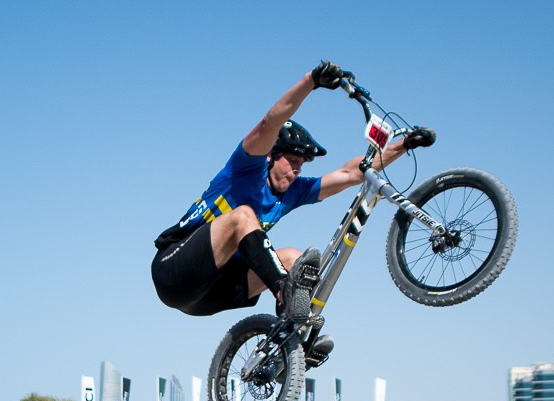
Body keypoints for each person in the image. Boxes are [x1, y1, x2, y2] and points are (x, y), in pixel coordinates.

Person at [149, 62, 422, 367]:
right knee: (243, 217)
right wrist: (311, 81)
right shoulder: (244, 169)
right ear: (270, 156)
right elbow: (270, 122)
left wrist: (404, 145)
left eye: (301, 165)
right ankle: (282, 290)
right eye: (291, 161)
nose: (296, 170)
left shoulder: (293, 192)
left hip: (209, 296)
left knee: (295, 258)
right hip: (174, 271)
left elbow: (350, 173)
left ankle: (288, 345)